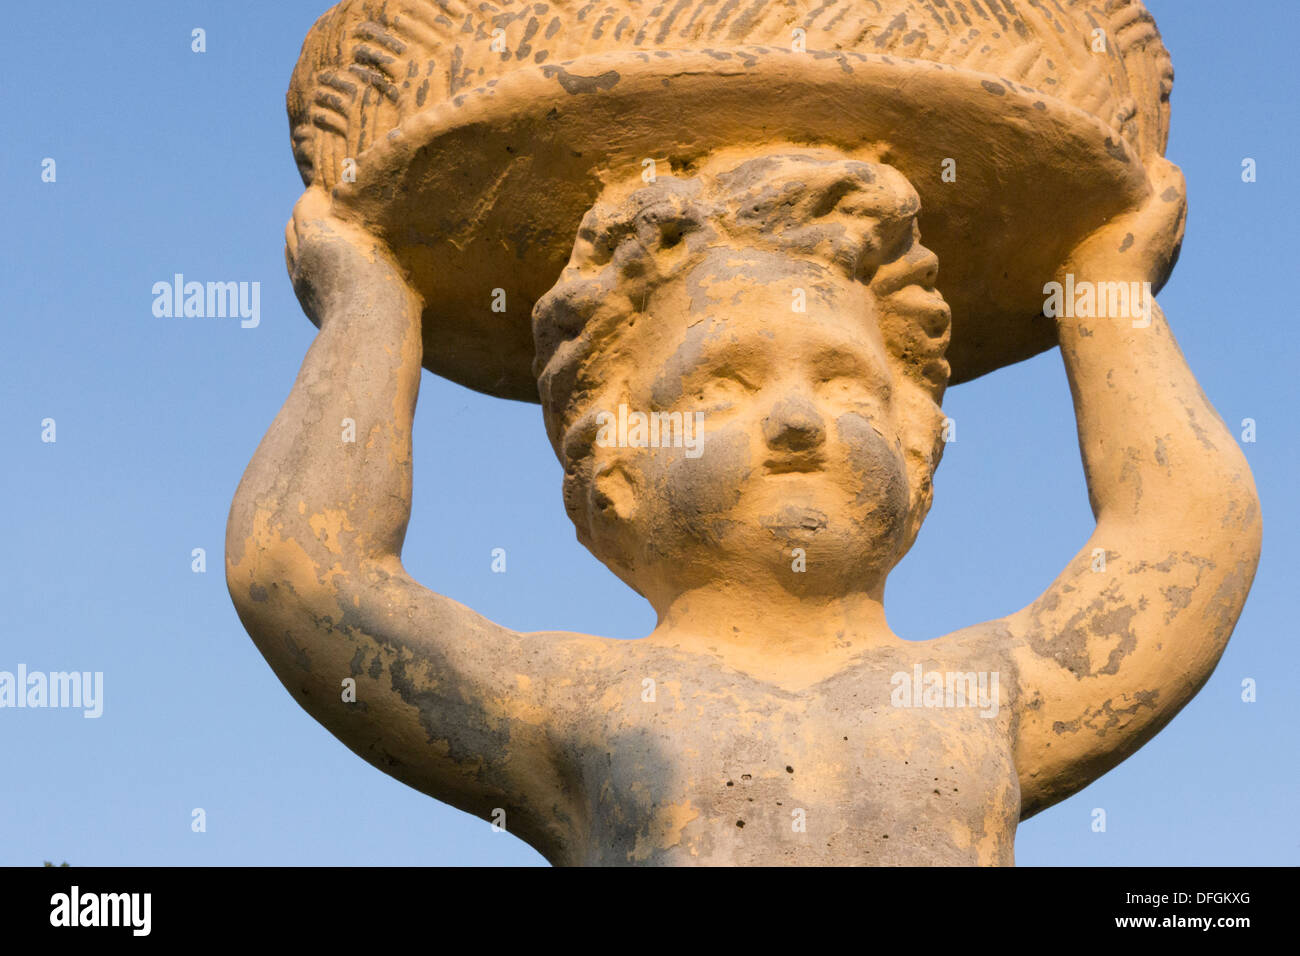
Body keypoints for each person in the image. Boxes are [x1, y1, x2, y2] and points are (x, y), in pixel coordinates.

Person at [226, 147, 1260, 865]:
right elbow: (303, 569)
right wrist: (369, 303)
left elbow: (1182, 531)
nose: (800, 419)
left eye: (850, 384)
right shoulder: (573, 702)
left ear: (915, 445)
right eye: (722, 386)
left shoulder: (987, 690)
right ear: (616, 457)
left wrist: (1107, 286)